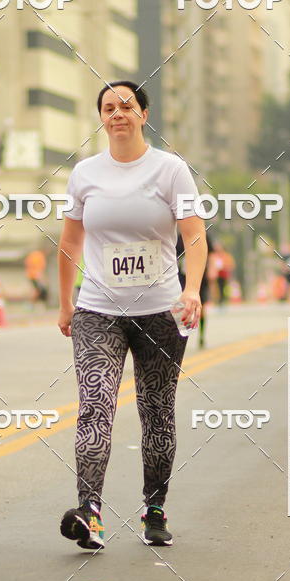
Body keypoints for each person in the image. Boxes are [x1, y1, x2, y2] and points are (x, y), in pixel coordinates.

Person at [57, 81, 207, 549]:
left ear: (144, 114)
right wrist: (65, 302)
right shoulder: (85, 173)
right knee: (95, 407)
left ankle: (154, 509)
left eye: (126, 106)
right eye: (108, 108)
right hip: (98, 310)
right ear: (101, 118)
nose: (117, 114)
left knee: (157, 411)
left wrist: (192, 290)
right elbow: (70, 242)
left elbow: (194, 234)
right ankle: (89, 512)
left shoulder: (170, 170)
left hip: (160, 311)